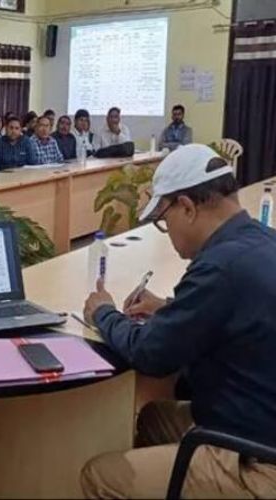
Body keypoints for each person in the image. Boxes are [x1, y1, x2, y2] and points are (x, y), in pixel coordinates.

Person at [80, 144, 276, 499]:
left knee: (100, 476)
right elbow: (235, 311)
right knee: (153, 418)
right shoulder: (260, 240)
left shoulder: (218, 266)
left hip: (256, 460)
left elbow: (150, 353)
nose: (166, 232)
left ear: (187, 207)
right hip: (255, 422)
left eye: (163, 220)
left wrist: (102, 313)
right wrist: (169, 308)